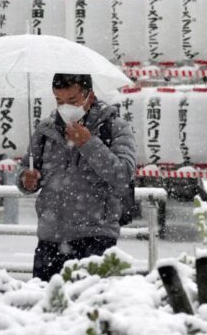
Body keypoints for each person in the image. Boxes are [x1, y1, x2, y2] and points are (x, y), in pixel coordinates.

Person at [17, 74, 137, 281]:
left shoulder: (114, 127)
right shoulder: (46, 130)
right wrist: (26, 180)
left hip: (96, 236)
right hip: (50, 236)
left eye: (72, 101)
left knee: (88, 306)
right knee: (44, 306)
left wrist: (88, 143)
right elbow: (26, 171)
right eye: (59, 101)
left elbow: (123, 174)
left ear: (90, 96)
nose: (65, 107)